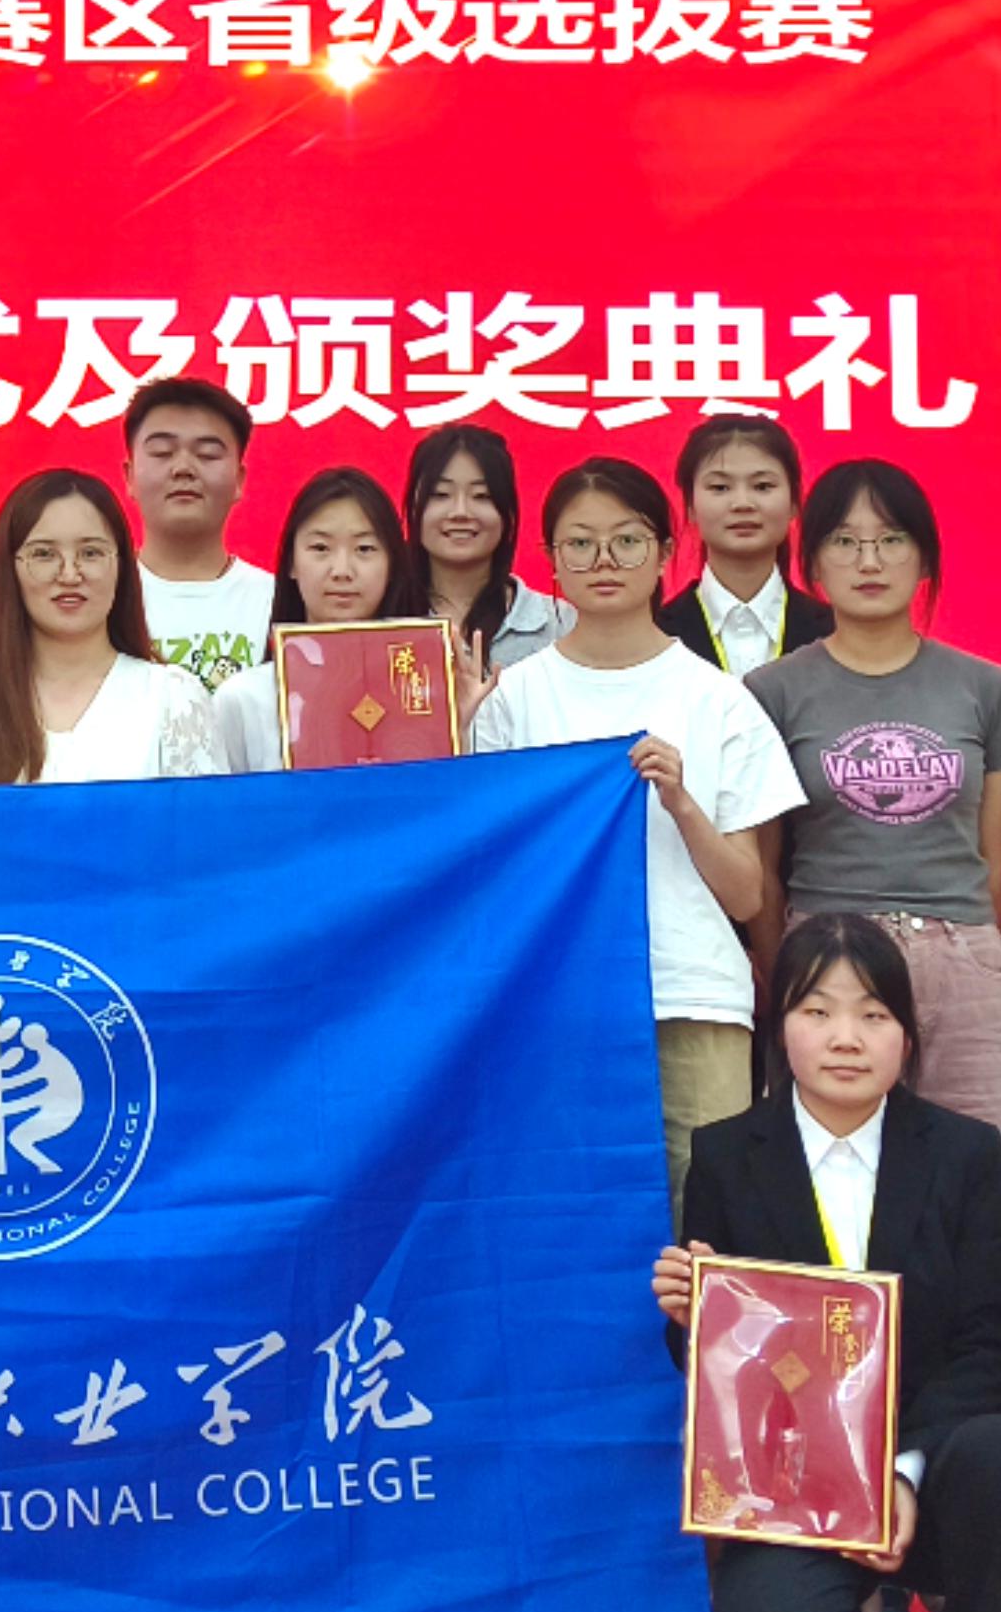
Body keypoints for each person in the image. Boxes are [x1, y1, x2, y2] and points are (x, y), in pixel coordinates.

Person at [652, 917, 1001, 1612]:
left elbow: (994, 1345)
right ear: (779, 1026)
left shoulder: (967, 1155)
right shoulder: (726, 1157)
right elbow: (715, 1371)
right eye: (818, 1011)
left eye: (873, 1014)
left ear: (907, 1034)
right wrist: (690, 1318)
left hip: (937, 1464)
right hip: (797, 1480)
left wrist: (901, 1471)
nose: (846, 1037)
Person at [462, 458, 803, 1186]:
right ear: (551, 560)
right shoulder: (512, 700)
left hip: (692, 996)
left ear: (666, 552)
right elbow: (490, 872)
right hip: (553, 997)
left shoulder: (720, 700)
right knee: (563, 1207)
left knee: (705, 1215)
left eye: (627, 541)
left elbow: (748, 895)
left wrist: (682, 804)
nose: (604, 561)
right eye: (580, 544)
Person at [740, 458, 1001, 1171]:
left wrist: (959, 949)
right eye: (844, 541)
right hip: (828, 954)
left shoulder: (984, 688)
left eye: (892, 539)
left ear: (925, 558)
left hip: (960, 958)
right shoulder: (771, 692)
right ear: (812, 563)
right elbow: (764, 871)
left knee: (984, 1173)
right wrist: (792, 974)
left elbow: (991, 866)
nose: (869, 561)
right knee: (833, 1176)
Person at [0, 469, 221, 784]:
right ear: (10, 568)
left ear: (121, 565)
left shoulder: (173, 698)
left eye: (90, 553)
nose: (69, 575)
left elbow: (203, 816)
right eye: (44, 554)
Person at [210, 463, 435, 772]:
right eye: (320, 548)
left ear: (392, 564)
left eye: (364, 548)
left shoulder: (427, 698)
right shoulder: (242, 700)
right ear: (291, 562)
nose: (341, 571)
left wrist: (458, 726)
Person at [119, 377, 278, 692]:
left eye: (207, 454)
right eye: (162, 452)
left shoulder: (278, 602)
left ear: (239, 480)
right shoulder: (102, 598)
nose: (183, 468)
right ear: (130, 476)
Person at [656, 411, 826, 678]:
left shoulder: (837, 632)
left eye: (762, 486)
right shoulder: (653, 635)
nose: (742, 503)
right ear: (690, 506)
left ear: (794, 502)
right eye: (720, 488)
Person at [407, 423, 565, 689]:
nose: (460, 512)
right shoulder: (381, 620)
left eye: (481, 496)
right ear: (413, 509)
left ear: (508, 514)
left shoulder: (558, 624)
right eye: (440, 494)